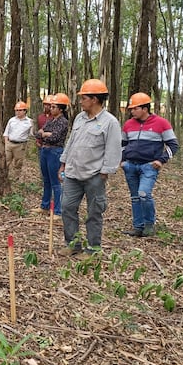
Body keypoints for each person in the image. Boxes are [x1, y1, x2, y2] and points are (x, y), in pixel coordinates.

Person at [58, 79, 121, 258]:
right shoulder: (79, 118)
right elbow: (71, 142)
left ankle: (93, 249)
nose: (81, 101)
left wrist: (105, 171)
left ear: (94, 99)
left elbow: (113, 149)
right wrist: (63, 163)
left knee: (94, 212)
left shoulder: (110, 122)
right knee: (67, 207)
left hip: (94, 176)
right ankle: (72, 244)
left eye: (84, 98)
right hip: (72, 173)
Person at [120, 92, 179, 238]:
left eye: (135, 108)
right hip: (130, 166)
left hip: (149, 166)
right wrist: (122, 161)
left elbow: (173, 145)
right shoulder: (128, 124)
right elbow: (122, 144)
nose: (132, 111)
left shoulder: (161, 123)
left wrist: (161, 160)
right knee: (135, 197)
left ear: (145, 109)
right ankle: (138, 227)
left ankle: (149, 225)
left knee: (144, 194)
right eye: (131, 109)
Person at [37, 93, 70, 216]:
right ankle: (44, 206)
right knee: (46, 180)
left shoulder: (63, 122)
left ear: (60, 109)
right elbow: (38, 133)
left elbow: (55, 137)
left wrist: (45, 134)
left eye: (54, 107)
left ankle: (57, 211)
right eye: (50, 107)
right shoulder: (51, 120)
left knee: (55, 182)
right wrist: (45, 134)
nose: (51, 109)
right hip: (45, 151)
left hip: (54, 152)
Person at [3, 101, 34, 181]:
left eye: (20, 110)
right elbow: (6, 132)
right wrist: (6, 143)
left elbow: (32, 134)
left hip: (20, 145)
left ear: (25, 111)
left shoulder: (29, 122)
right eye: (16, 110)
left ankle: (15, 179)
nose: (18, 112)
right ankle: (4, 177)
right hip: (9, 143)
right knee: (6, 161)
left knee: (18, 163)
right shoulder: (11, 120)